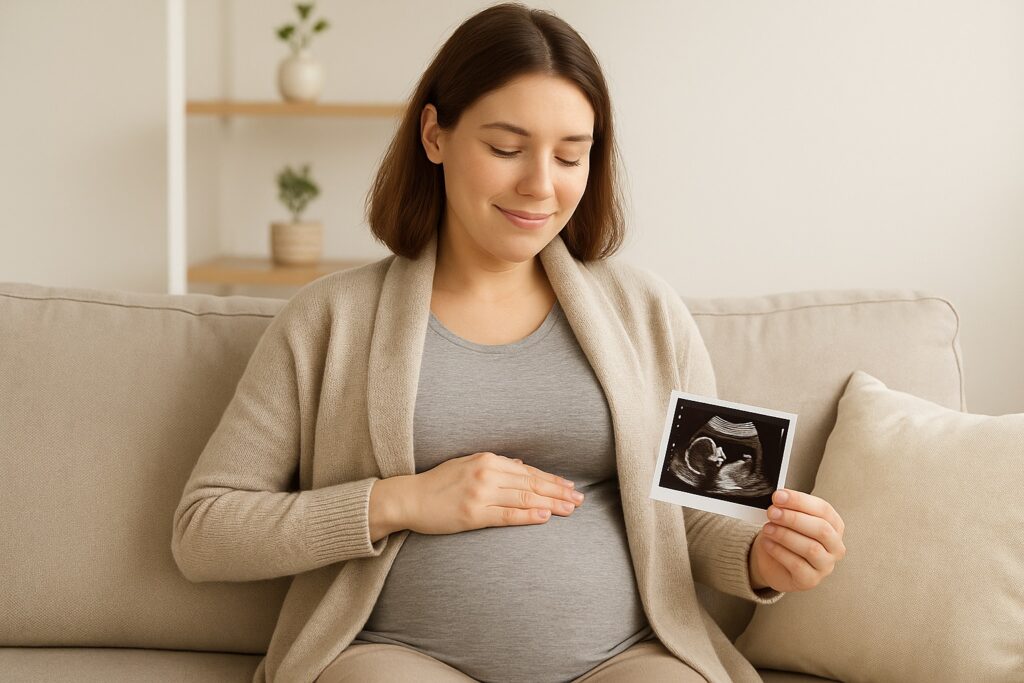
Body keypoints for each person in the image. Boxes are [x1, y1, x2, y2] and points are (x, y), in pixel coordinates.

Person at [170, 4, 847, 683]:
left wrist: (765, 555)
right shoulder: (329, 318)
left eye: (570, 156)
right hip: (392, 655)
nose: (540, 185)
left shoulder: (645, 312)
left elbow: (695, 516)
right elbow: (205, 531)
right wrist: (401, 500)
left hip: (626, 659)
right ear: (434, 134)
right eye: (505, 148)